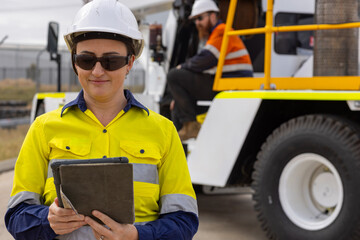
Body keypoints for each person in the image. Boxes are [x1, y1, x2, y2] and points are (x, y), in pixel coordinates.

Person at [5, 0, 198, 239]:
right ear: (75, 63)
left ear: (129, 63)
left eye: (111, 61)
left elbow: (184, 221)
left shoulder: (164, 132)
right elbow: (16, 216)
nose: (97, 71)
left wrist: (138, 235)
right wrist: (48, 221)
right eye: (86, 60)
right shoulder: (43, 129)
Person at [167, 0, 253, 141]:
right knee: (177, 106)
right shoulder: (216, 34)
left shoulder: (221, 31)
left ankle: (191, 127)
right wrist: (178, 97)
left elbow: (204, 60)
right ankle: (178, 147)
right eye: (195, 20)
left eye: (200, 18)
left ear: (213, 16)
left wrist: (181, 67)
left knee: (174, 75)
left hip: (231, 84)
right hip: (226, 82)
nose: (197, 23)